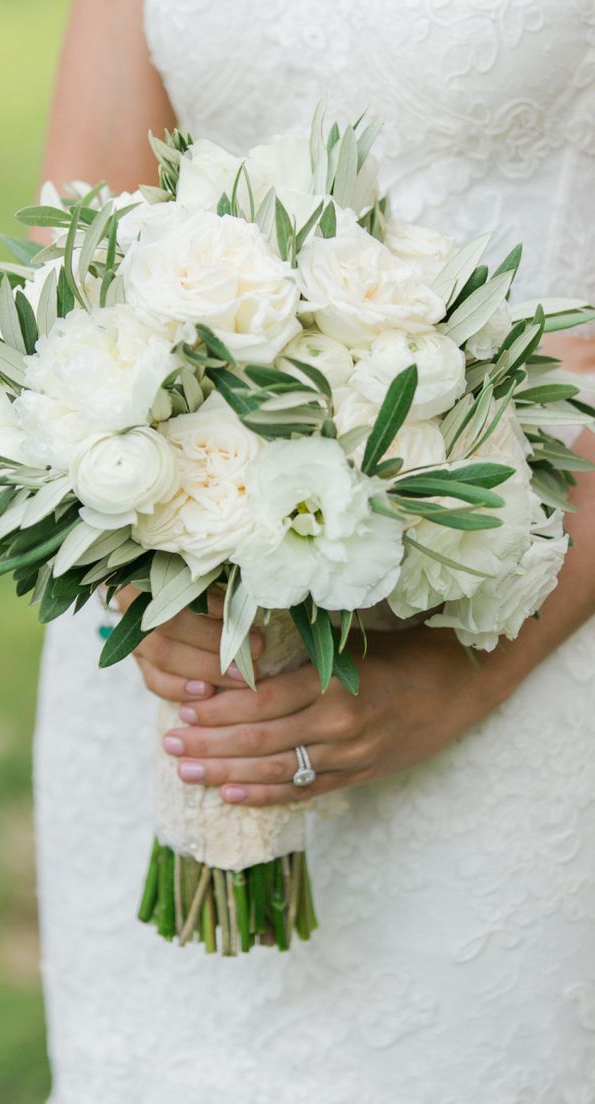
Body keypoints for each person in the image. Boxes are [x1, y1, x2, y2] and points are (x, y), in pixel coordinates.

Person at [33, 2, 595, 1100]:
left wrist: (467, 675)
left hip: (536, 584)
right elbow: (84, 219)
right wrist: (136, 563)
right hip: (174, 644)